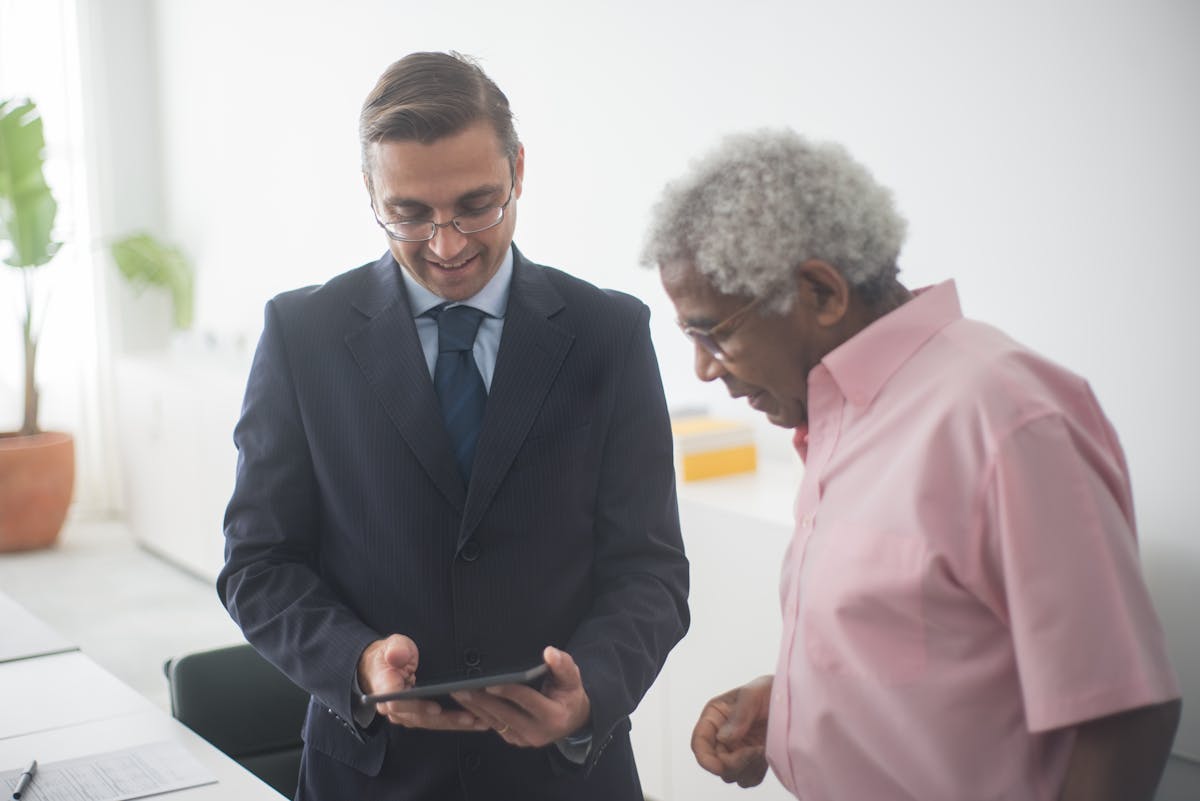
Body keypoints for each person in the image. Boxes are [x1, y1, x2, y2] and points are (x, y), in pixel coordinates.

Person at [640, 129, 1181, 801]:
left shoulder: (1006, 419)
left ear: (821, 292)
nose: (703, 367)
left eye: (713, 331)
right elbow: (936, 649)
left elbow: (1124, 710)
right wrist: (792, 707)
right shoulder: (838, 416)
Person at [219, 51, 689, 801]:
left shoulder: (611, 332)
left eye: (478, 205)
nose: (447, 245)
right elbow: (259, 564)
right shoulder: (300, 335)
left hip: (569, 777)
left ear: (520, 170)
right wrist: (359, 661)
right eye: (409, 213)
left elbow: (651, 572)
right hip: (370, 775)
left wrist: (589, 690)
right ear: (370, 191)